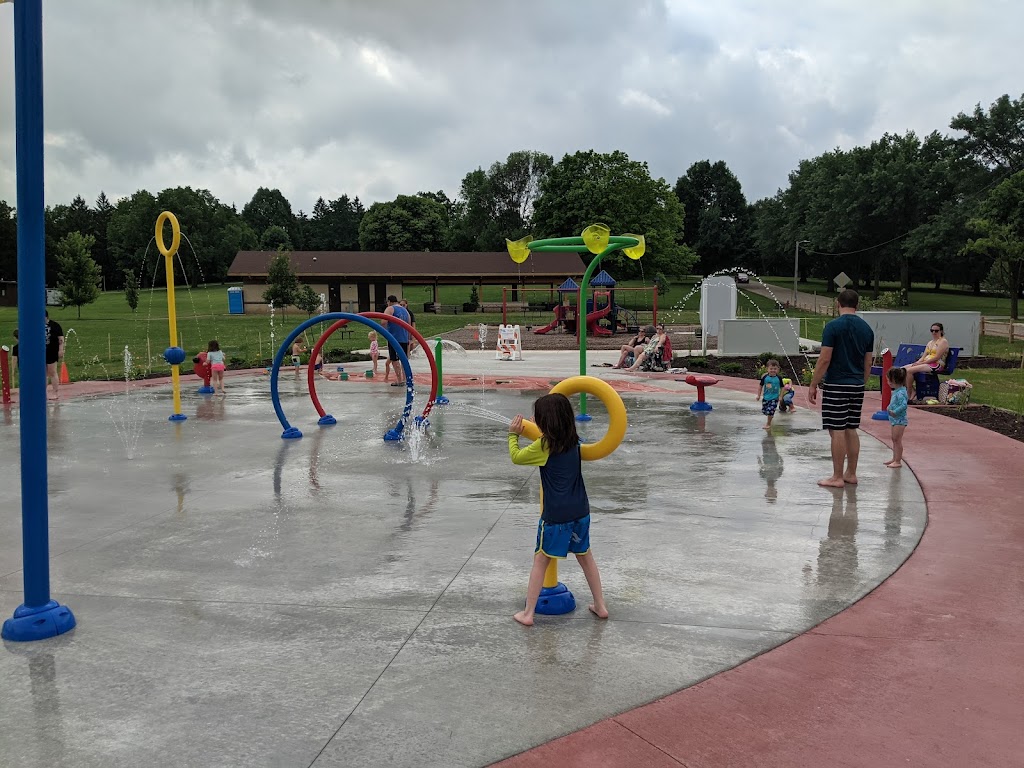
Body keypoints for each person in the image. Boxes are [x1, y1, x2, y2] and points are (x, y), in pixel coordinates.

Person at [507, 393, 608, 626]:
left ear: (546, 422)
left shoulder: (544, 445)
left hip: (555, 516)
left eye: (537, 417)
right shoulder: (575, 441)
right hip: (581, 510)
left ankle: (528, 613)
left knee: (541, 560)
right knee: (586, 556)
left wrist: (513, 435)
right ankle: (600, 605)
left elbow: (516, 457)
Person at [807, 289, 875, 488]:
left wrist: (813, 384)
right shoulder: (867, 329)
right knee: (851, 429)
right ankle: (851, 473)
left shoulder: (833, 327)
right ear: (857, 305)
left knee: (837, 430)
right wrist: (860, 381)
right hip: (856, 385)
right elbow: (868, 362)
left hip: (836, 384)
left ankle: (837, 477)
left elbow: (825, 358)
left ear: (838, 304)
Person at [902, 322, 950, 401]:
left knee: (909, 371)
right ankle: (913, 391)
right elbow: (923, 356)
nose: (934, 332)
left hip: (936, 364)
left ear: (941, 331)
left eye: (936, 331)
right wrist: (918, 362)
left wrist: (921, 363)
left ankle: (909, 393)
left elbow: (936, 357)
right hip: (926, 362)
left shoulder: (943, 342)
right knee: (901, 370)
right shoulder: (930, 343)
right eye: (932, 330)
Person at [382, 295, 412, 387]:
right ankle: (406, 379)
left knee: (394, 359)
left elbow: (383, 322)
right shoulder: (405, 311)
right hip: (404, 338)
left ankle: (399, 380)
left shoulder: (390, 309)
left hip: (394, 338)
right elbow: (409, 325)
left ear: (389, 301)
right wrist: (409, 338)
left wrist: (386, 333)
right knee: (404, 359)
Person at [885, 366, 909, 468]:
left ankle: (898, 461)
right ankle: (895, 458)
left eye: (888, 380)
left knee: (897, 440)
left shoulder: (901, 393)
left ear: (893, 380)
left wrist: (894, 411)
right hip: (895, 419)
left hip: (899, 420)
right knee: (894, 439)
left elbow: (903, 405)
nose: (887, 382)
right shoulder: (898, 391)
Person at [757, 359, 783, 430]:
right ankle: (770, 415)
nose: (773, 370)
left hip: (775, 398)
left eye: (775, 369)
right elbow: (760, 386)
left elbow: (782, 387)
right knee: (765, 411)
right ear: (767, 369)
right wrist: (758, 395)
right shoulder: (765, 377)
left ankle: (768, 424)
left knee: (770, 411)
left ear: (778, 369)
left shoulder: (779, 378)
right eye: (771, 369)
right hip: (766, 397)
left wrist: (780, 396)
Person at [44, 311, 64, 401]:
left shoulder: (55, 325)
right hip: (41, 352)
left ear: (46, 317)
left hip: (52, 351)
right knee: (43, 373)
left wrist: (60, 349)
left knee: (52, 372)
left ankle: (55, 392)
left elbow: (61, 339)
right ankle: (43, 393)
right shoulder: (36, 325)